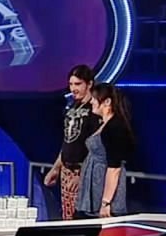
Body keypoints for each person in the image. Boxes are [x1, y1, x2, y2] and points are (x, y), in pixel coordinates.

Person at [44, 65, 101, 220]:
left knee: (82, 218)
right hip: (66, 171)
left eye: (78, 84)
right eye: (71, 84)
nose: (73, 89)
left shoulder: (95, 110)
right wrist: (56, 168)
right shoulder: (72, 107)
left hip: (84, 172)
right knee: (67, 218)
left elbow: (97, 149)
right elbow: (68, 141)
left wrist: (82, 176)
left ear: (89, 84)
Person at [76, 83, 135, 218]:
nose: (91, 101)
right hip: (95, 181)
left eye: (94, 98)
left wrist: (106, 202)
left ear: (107, 101)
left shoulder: (115, 126)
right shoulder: (104, 124)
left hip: (105, 185)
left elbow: (114, 168)